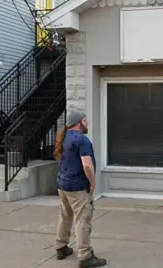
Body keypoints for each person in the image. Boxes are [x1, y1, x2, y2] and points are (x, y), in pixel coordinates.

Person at [53, 111, 106, 268]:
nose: (87, 123)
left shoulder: (63, 136)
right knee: (83, 220)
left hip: (63, 185)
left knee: (65, 216)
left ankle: (61, 247)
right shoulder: (82, 140)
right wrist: (93, 183)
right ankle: (85, 256)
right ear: (78, 123)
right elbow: (87, 165)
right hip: (77, 187)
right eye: (85, 120)